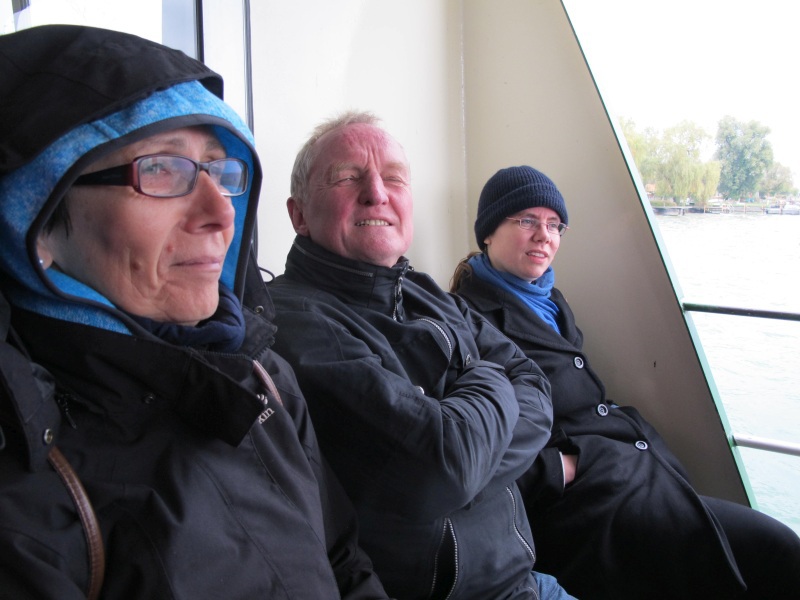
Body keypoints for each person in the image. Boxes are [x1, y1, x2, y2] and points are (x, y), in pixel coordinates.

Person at [0, 25, 390, 599]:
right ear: (34, 223)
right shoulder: (27, 492)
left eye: (220, 170)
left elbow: (343, 560)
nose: (222, 213)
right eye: (161, 169)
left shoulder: (263, 378)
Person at [450, 165, 800, 599]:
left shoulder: (549, 300)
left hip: (624, 471)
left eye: (554, 224)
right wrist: (565, 468)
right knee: (772, 551)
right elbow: (473, 449)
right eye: (526, 220)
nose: (544, 236)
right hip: (583, 503)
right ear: (488, 231)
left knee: (770, 550)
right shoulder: (468, 323)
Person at [265, 111, 576, 600]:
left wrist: (471, 457)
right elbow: (443, 466)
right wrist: (487, 376)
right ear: (299, 214)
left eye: (394, 178)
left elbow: (535, 384)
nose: (377, 193)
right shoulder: (294, 321)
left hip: (525, 579)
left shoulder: (423, 291)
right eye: (347, 177)